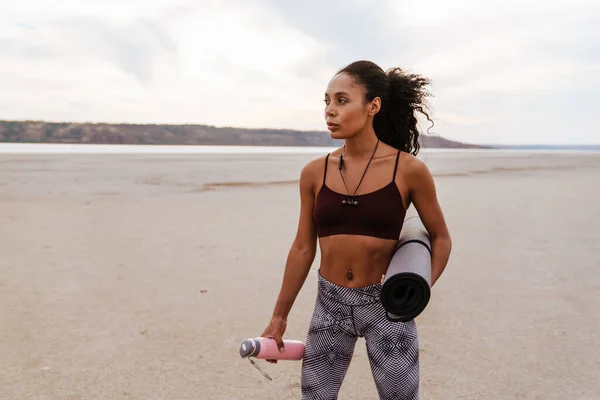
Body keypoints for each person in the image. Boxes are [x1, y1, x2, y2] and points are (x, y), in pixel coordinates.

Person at [259, 60, 452, 400]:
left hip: (386, 306)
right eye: (327, 101)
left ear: (373, 106)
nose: (330, 111)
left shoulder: (408, 171)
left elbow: (441, 238)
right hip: (330, 304)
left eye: (342, 100)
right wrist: (279, 317)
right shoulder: (314, 172)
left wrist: (416, 291)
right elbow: (303, 247)